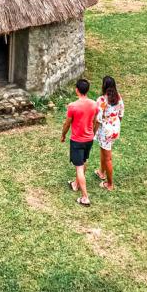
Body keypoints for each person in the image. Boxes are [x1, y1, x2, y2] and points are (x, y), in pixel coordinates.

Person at [61, 78, 98, 207]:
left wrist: (63, 135)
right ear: (87, 90)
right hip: (89, 139)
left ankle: (85, 197)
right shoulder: (94, 104)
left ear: (77, 90)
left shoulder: (73, 106)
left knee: (79, 167)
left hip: (77, 140)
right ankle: (75, 184)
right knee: (84, 161)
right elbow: (96, 121)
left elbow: (67, 124)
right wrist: (93, 132)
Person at [94, 75, 124, 191]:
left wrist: (93, 133)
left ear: (103, 86)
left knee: (108, 158)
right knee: (103, 150)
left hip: (105, 132)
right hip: (115, 129)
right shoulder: (119, 98)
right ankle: (101, 172)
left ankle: (110, 184)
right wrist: (115, 125)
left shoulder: (102, 100)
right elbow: (121, 114)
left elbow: (98, 119)